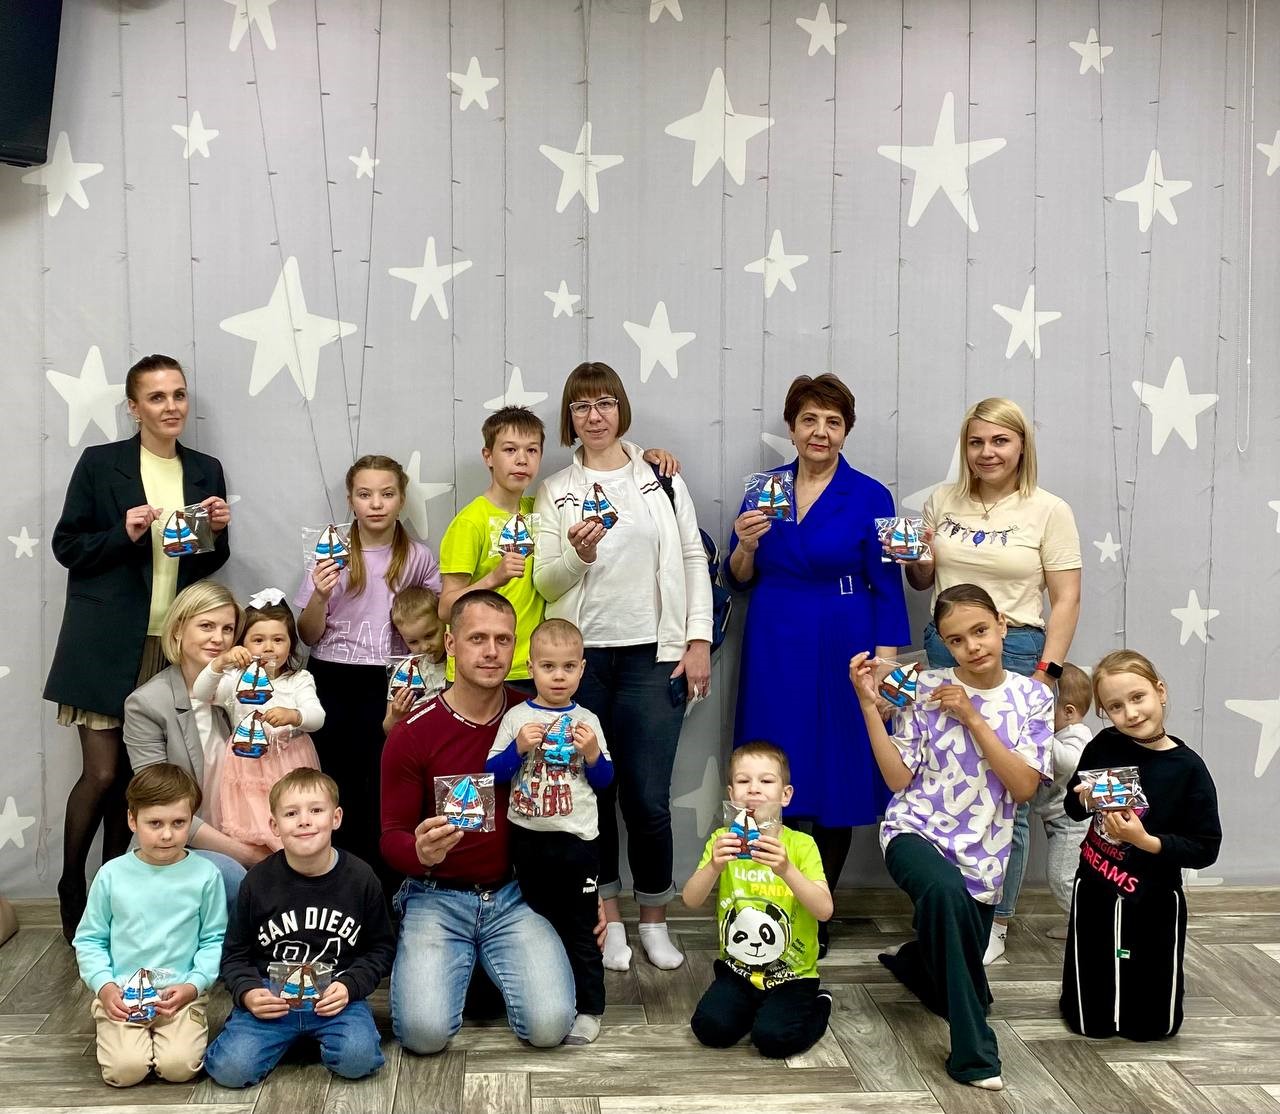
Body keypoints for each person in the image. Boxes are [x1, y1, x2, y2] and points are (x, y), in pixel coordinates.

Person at [45, 354, 231, 941]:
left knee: (144, 779)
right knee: (102, 775)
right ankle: (72, 888)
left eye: (178, 395)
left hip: (171, 646)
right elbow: (67, 547)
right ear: (134, 407)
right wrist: (122, 534)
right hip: (103, 643)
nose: (171, 406)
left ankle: (120, 893)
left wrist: (218, 532)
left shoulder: (205, 469)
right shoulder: (101, 464)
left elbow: (207, 562)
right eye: (157, 397)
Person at [533, 362, 711, 973]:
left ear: (621, 409)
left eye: (605, 403)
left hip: (653, 658)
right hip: (582, 664)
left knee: (647, 799)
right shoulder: (555, 490)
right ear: (571, 418)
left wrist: (697, 640)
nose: (595, 416)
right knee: (593, 794)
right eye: (582, 407)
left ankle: (654, 919)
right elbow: (546, 581)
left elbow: (692, 557)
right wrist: (578, 556)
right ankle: (607, 919)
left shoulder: (660, 477)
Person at [727, 373, 909, 954]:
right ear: (792, 428)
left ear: (846, 431)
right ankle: (766, 900)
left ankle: (818, 908)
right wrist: (745, 544)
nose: (820, 431)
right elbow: (739, 577)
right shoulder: (763, 489)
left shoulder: (872, 495)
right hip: (775, 639)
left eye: (833, 422)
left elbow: (889, 586)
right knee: (772, 765)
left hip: (844, 641)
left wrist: (885, 667)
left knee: (836, 770)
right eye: (810, 420)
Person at [850, 584, 1053, 1090]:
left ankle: (917, 962)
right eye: (956, 640)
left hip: (984, 855)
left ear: (1002, 625)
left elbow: (1023, 788)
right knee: (943, 895)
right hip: (914, 830)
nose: (972, 647)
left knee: (960, 970)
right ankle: (974, 1053)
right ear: (944, 644)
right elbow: (898, 779)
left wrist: (973, 717)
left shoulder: (1033, 697)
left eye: (980, 631)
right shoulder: (924, 688)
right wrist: (870, 709)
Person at [903, 397, 1081, 964]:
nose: (987, 453)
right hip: (944, 647)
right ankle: (944, 906)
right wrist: (918, 558)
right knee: (938, 783)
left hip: (1021, 650)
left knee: (1009, 795)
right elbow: (923, 580)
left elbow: (1067, 598)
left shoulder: (1049, 510)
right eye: (976, 442)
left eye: (1000, 441)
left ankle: (995, 919)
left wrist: (1048, 672)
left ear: (1021, 445)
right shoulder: (942, 500)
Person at [381, 590, 576, 1054]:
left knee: (550, 1028)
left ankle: (479, 972)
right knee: (423, 1035)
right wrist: (418, 851)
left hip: (514, 893)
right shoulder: (412, 732)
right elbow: (390, 836)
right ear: (450, 644)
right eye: (477, 638)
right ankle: (469, 971)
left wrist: (594, 899)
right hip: (435, 895)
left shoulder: (541, 717)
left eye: (503, 639)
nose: (491, 651)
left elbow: (580, 811)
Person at [438, 406, 680, 696]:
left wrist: (644, 458)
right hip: (482, 670)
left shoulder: (537, 509)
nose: (521, 459)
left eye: (531, 450)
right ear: (488, 456)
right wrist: (493, 579)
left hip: (534, 668)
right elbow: (445, 608)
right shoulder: (469, 522)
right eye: (510, 450)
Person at [1060, 650, 1221, 1041]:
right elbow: (1072, 806)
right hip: (1094, 883)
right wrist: (1086, 798)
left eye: (1138, 697)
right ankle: (1091, 1011)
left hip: (1154, 896)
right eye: (1115, 706)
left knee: (1151, 1022)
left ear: (1159, 692)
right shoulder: (1104, 744)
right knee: (1089, 1015)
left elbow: (1205, 848)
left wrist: (1145, 841)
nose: (1130, 713)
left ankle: (1144, 1016)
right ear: (1104, 712)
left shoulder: (1187, 768)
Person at [296, 454, 442, 882]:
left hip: (392, 681)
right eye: (364, 494)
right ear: (351, 500)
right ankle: (337, 884)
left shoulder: (417, 557)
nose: (376, 504)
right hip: (332, 678)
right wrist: (320, 595)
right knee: (335, 785)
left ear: (401, 499)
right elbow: (307, 635)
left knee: (386, 785)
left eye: (387, 494)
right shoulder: (331, 552)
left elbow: (436, 625)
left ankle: (386, 888)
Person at [204, 769, 395, 1087]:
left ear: (336, 818)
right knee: (231, 1070)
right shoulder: (257, 882)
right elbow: (234, 954)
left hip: (335, 996)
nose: (304, 821)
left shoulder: (361, 878)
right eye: (291, 814)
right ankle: (280, 1039)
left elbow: (381, 949)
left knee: (359, 1059)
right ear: (274, 826)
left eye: (316, 810)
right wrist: (248, 992)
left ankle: (310, 1040)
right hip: (271, 997)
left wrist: (350, 986)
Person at [485, 618, 614, 1045]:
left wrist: (592, 754)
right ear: (531, 667)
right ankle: (542, 995)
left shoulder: (588, 720)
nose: (558, 676)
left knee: (581, 925)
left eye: (568, 667)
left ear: (582, 668)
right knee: (535, 922)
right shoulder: (516, 717)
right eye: (548, 666)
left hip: (577, 841)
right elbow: (492, 774)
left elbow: (605, 781)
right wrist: (518, 748)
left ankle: (590, 1008)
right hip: (527, 839)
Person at [72, 764, 226, 1088]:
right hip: (123, 996)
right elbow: (89, 939)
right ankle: (116, 1030)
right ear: (133, 820)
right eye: (155, 823)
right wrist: (104, 986)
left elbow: (214, 939)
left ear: (191, 821)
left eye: (178, 823)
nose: (167, 834)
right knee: (125, 1071)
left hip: (179, 996)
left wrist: (194, 985)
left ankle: (173, 1036)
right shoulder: (111, 875)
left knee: (180, 1068)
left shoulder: (206, 875)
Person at [683, 741, 834, 1059]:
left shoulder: (802, 845)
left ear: (785, 795)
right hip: (738, 971)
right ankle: (755, 1009)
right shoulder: (721, 841)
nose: (753, 789)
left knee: (774, 1041)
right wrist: (714, 866)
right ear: (731, 793)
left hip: (793, 976)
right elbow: (691, 900)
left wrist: (786, 870)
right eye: (743, 781)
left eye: (766, 780)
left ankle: (820, 1004)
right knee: (709, 1029)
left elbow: (824, 911)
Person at [124, 581, 264, 908]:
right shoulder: (147, 704)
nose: (219, 638)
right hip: (179, 845)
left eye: (227, 629)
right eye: (206, 626)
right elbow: (160, 804)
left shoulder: (243, 690)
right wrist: (247, 855)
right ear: (177, 631)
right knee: (232, 876)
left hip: (246, 830)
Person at [192, 591, 323, 852]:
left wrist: (294, 715)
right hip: (246, 764)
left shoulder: (299, 679)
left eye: (278, 640)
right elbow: (202, 693)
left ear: (291, 644)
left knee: (292, 820)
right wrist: (220, 663)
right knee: (253, 825)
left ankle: (291, 861)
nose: (269, 648)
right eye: (258, 640)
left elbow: (317, 717)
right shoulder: (235, 678)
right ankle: (257, 865)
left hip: (290, 760)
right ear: (243, 645)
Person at [1029, 662, 1093, 939]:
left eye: (1045, 711)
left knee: (1061, 877)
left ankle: (1088, 927)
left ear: (1068, 712)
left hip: (1071, 822)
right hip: (1058, 820)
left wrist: (1040, 733)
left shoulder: (1078, 734)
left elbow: (1070, 762)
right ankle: (1079, 922)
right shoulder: (1063, 733)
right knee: (1069, 875)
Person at [382, 586, 448, 735]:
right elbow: (387, 729)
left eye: (430, 635)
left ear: (444, 622)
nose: (424, 647)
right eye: (413, 642)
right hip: (418, 742)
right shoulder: (405, 672)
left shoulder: (458, 662)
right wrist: (397, 716)